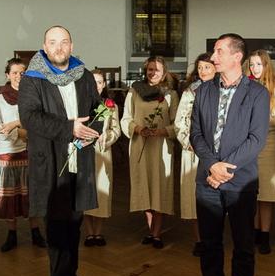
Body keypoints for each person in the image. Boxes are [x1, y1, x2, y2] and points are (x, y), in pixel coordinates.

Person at [18, 25, 102, 276]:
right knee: (56, 227)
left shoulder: (83, 75)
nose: (59, 47)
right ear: (45, 46)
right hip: (51, 162)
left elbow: (99, 109)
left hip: (80, 158)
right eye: (53, 42)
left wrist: (93, 131)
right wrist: (70, 128)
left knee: (74, 224)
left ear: (71, 45)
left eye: (64, 42)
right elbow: (29, 117)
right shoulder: (33, 78)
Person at [190, 33, 270, 276]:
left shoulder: (257, 93)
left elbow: (256, 140)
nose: (213, 57)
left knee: (243, 244)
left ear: (237, 56)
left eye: (219, 51)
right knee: (209, 243)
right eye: (214, 51)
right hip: (207, 180)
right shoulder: (203, 90)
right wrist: (212, 166)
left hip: (240, 181)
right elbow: (196, 134)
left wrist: (224, 170)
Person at [0, 58, 46, 252]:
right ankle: (11, 234)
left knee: (31, 195)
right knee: (9, 197)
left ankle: (36, 232)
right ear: (7, 75)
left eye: (22, 73)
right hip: (8, 152)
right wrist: (19, 133)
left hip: (31, 151)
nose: (19, 76)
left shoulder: (35, 96)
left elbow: (40, 122)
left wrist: (18, 128)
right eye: (14, 73)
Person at [120, 56, 178, 248]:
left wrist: (162, 131)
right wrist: (138, 129)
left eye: (157, 70)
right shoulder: (135, 91)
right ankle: (151, 230)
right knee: (144, 186)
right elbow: (126, 118)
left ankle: (157, 233)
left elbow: (177, 123)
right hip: (140, 145)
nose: (153, 73)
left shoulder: (170, 94)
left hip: (161, 147)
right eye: (150, 69)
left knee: (159, 187)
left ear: (164, 72)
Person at [174, 53, 216, 256]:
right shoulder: (190, 91)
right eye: (200, 68)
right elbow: (179, 121)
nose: (202, 71)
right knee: (193, 196)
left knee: (213, 195)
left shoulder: (221, 91)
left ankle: (213, 238)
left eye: (207, 67)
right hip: (192, 150)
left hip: (213, 152)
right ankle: (199, 240)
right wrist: (188, 141)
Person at [247, 49, 275, 255]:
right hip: (247, 145)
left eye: (258, 64)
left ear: (266, 65)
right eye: (252, 64)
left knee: (267, 193)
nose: (255, 68)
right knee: (251, 191)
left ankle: (265, 235)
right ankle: (253, 231)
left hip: (269, 143)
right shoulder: (244, 86)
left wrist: (256, 123)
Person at [82, 69, 121, 247]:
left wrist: (107, 137)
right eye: (93, 82)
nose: (96, 85)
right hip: (84, 153)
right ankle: (89, 233)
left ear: (104, 84)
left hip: (102, 152)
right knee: (86, 191)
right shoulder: (80, 104)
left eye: (99, 82)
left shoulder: (110, 105)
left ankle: (98, 232)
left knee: (102, 192)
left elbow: (116, 130)